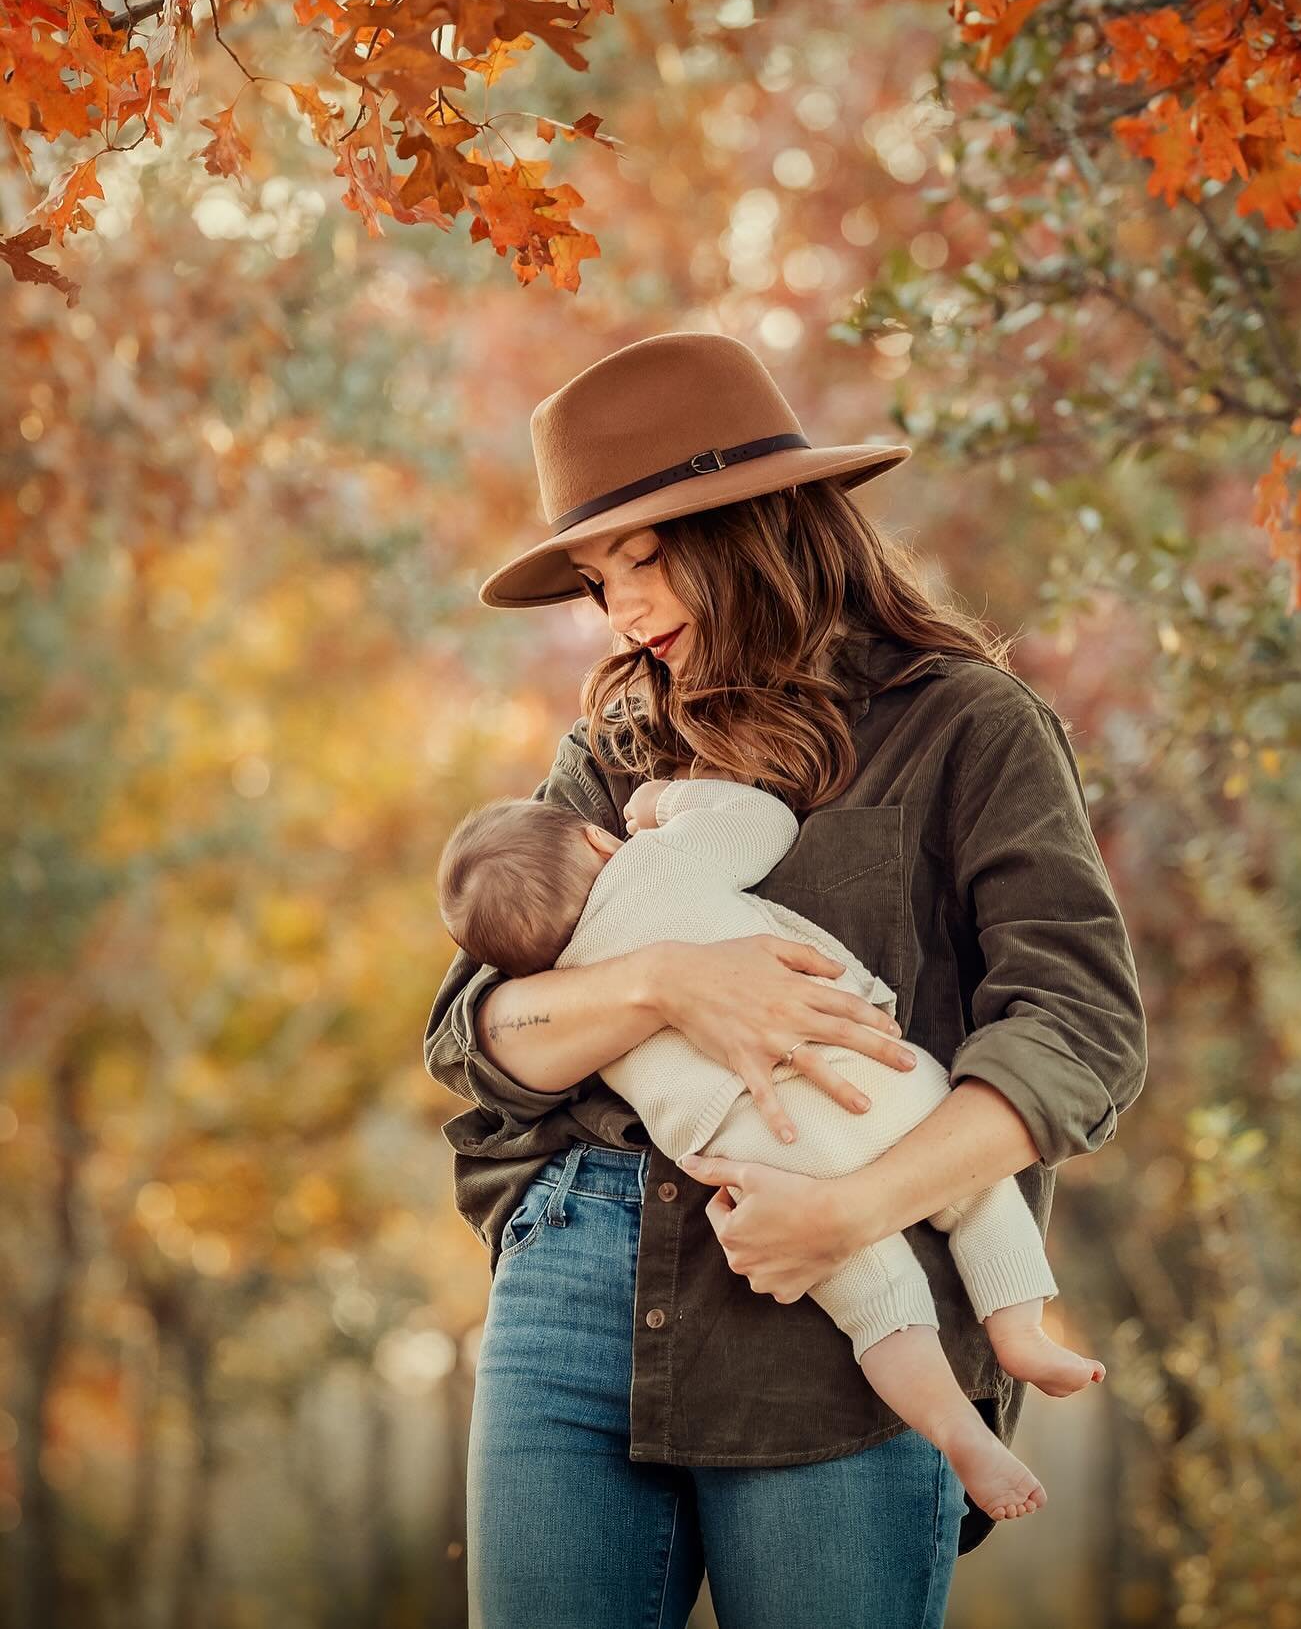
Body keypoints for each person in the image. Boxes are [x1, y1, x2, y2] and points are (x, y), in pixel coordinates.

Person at [422, 330, 1148, 1629]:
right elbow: (479, 1033)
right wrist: (663, 983)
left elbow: (1077, 1027)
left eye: (644, 555)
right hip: (580, 1275)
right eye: (598, 575)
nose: (625, 609)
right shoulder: (614, 754)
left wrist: (854, 1201)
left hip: (846, 1303)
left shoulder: (967, 725)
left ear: (760, 522)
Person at [436, 766, 1108, 1521]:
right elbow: (760, 822)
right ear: (599, 839)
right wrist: (662, 805)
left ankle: (954, 1428)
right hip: (870, 1085)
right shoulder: (651, 859)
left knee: (877, 1304)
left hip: (768, 1173)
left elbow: (483, 1039)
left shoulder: (568, 988)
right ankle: (1019, 1329)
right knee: (980, 1189)